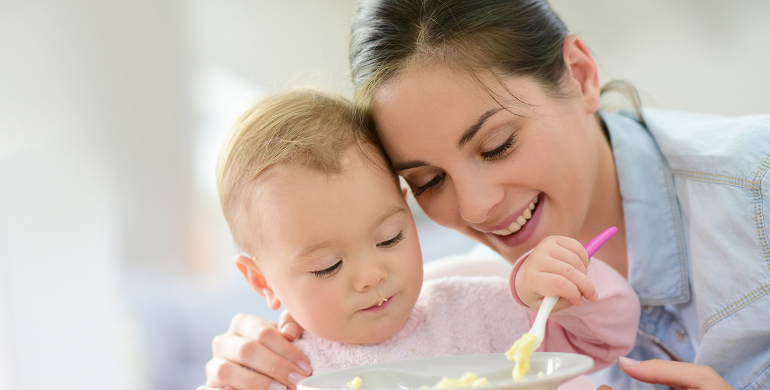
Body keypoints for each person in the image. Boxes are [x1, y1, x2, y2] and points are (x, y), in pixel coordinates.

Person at [203, 1, 769, 389]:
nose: (475, 208)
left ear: (580, 74)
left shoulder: (758, 189)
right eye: (428, 182)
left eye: (497, 145)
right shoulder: (475, 298)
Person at [208, 89, 639, 388]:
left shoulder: (482, 313)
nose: (372, 275)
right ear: (262, 282)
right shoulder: (281, 371)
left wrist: (558, 283)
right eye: (328, 266)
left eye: (389, 238)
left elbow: (607, 337)